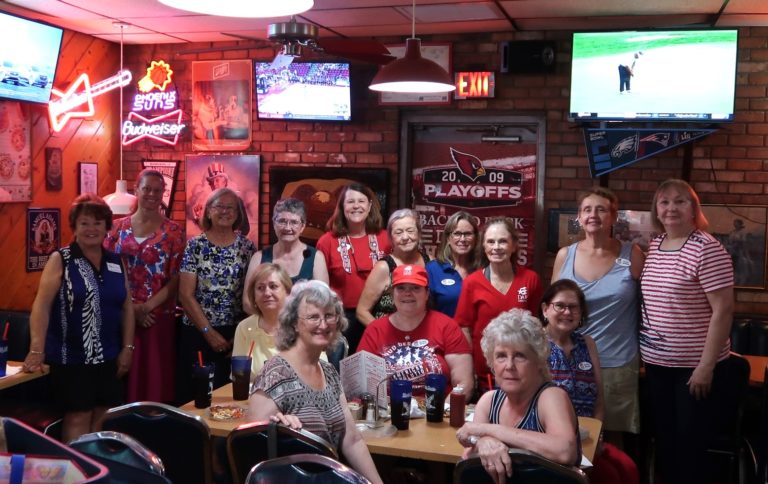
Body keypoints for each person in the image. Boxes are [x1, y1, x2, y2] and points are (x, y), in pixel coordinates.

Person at [640, 178, 734, 484]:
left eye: (680, 201)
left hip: (692, 369)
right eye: (664, 201)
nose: (671, 208)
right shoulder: (655, 244)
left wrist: (705, 367)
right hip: (657, 365)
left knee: (689, 445)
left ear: (694, 208)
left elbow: (724, 310)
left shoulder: (707, 248)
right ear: (656, 208)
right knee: (665, 440)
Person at [23, 194, 135, 442]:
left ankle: (97, 471)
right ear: (74, 227)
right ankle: (74, 475)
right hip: (71, 357)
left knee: (105, 414)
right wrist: (36, 349)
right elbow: (41, 306)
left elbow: (127, 307)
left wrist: (128, 347)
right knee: (78, 416)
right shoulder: (60, 259)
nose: (91, 229)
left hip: (109, 356)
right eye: (84, 223)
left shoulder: (116, 261)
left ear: (107, 226)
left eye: (97, 223)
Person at [248, 280, 383, 484]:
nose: (323, 324)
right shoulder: (276, 372)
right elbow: (250, 446)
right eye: (313, 317)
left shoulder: (328, 371)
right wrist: (276, 428)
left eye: (329, 315)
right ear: (294, 323)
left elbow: (352, 440)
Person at [551, 187, 644, 440]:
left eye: (601, 209)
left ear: (614, 217)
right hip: (568, 362)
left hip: (618, 361)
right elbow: (551, 310)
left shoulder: (632, 255)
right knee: (567, 432)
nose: (593, 215)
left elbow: (649, 305)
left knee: (612, 439)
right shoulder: (564, 256)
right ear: (579, 217)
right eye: (587, 209)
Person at [455, 309, 580, 484]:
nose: (509, 366)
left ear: (538, 361)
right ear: (491, 362)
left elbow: (564, 451)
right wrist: (483, 441)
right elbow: (468, 459)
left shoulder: (550, 397)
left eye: (520, 356)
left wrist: (487, 431)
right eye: (500, 356)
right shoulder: (489, 401)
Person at [541, 279, 639, 484]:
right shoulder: (535, 344)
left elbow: (599, 401)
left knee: (627, 468)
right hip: (550, 440)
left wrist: (597, 434)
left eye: (573, 307)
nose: (567, 312)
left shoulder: (588, 344)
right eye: (560, 305)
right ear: (545, 309)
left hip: (588, 437)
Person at [104, 169, 184, 403]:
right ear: (136, 190)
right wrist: (131, 309)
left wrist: (145, 307)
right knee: (117, 379)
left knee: (154, 381)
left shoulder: (174, 232)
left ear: (163, 194)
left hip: (156, 317)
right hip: (118, 314)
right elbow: (106, 271)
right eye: (146, 188)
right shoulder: (115, 228)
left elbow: (177, 277)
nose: (151, 194)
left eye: (157, 190)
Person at [178, 188, 255, 403]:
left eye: (231, 207)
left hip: (235, 335)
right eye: (219, 206)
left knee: (232, 398)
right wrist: (208, 332)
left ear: (238, 213)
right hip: (198, 332)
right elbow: (185, 295)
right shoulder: (195, 246)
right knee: (196, 397)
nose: (225, 211)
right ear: (208, 211)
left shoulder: (248, 248)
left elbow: (251, 294)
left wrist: (240, 334)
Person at [454, 217, 543, 394]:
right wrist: (469, 369)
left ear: (514, 245)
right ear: (484, 246)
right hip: (484, 375)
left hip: (521, 373)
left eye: (503, 241)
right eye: (490, 242)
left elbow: (537, 325)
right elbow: (464, 328)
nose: (496, 247)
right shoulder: (472, 283)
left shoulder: (530, 279)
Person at [358, 264, 473, 398]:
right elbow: (362, 385)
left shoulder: (447, 326)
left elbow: (464, 383)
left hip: (438, 413)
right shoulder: (375, 330)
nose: (408, 293)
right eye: (401, 288)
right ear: (392, 294)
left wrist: (443, 412)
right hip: (389, 414)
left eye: (415, 288)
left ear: (427, 294)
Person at [316, 183, 390, 353]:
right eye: (350, 202)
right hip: (342, 321)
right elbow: (321, 288)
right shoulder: (327, 241)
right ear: (342, 206)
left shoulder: (385, 239)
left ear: (370, 205)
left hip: (378, 317)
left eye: (361, 201)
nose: (356, 206)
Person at [242, 198, 328, 314]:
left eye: (294, 222)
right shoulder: (258, 258)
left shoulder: (316, 257)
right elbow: (247, 302)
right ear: (274, 224)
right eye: (282, 221)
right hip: (267, 329)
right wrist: (271, 324)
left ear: (302, 226)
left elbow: (323, 300)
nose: (287, 228)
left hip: (303, 329)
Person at [356, 209, 430, 329]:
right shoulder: (383, 267)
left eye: (410, 231)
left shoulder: (430, 263)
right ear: (391, 238)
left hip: (422, 336)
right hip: (389, 338)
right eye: (399, 232)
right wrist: (384, 334)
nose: (405, 237)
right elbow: (362, 312)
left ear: (419, 233)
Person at [232, 263, 292, 378]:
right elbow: (238, 377)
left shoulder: (303, 326)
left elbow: (318, 373)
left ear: (287, 292)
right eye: (260, 288)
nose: (267, 293)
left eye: (273, 286)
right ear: (253, 296)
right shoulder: (244, 327)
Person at [426, 211, 481, 318]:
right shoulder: (433, 269)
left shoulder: (484, 268)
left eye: (468, 234)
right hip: (444, 333)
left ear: (476, 238)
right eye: (457, 233)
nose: (462, 239)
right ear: (448, 238)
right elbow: (424, 311)